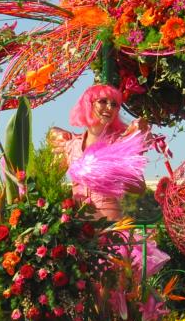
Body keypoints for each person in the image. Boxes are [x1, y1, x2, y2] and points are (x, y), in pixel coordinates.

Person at [49, 84, 147, 221]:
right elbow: (49, 180)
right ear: (88, 105)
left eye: (114, 105)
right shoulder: (71, 145)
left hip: (108, 223)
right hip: (77, 225)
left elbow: (140, 187)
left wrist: (110, 171)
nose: (109, 107)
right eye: (103, 101)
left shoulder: (119, 145)